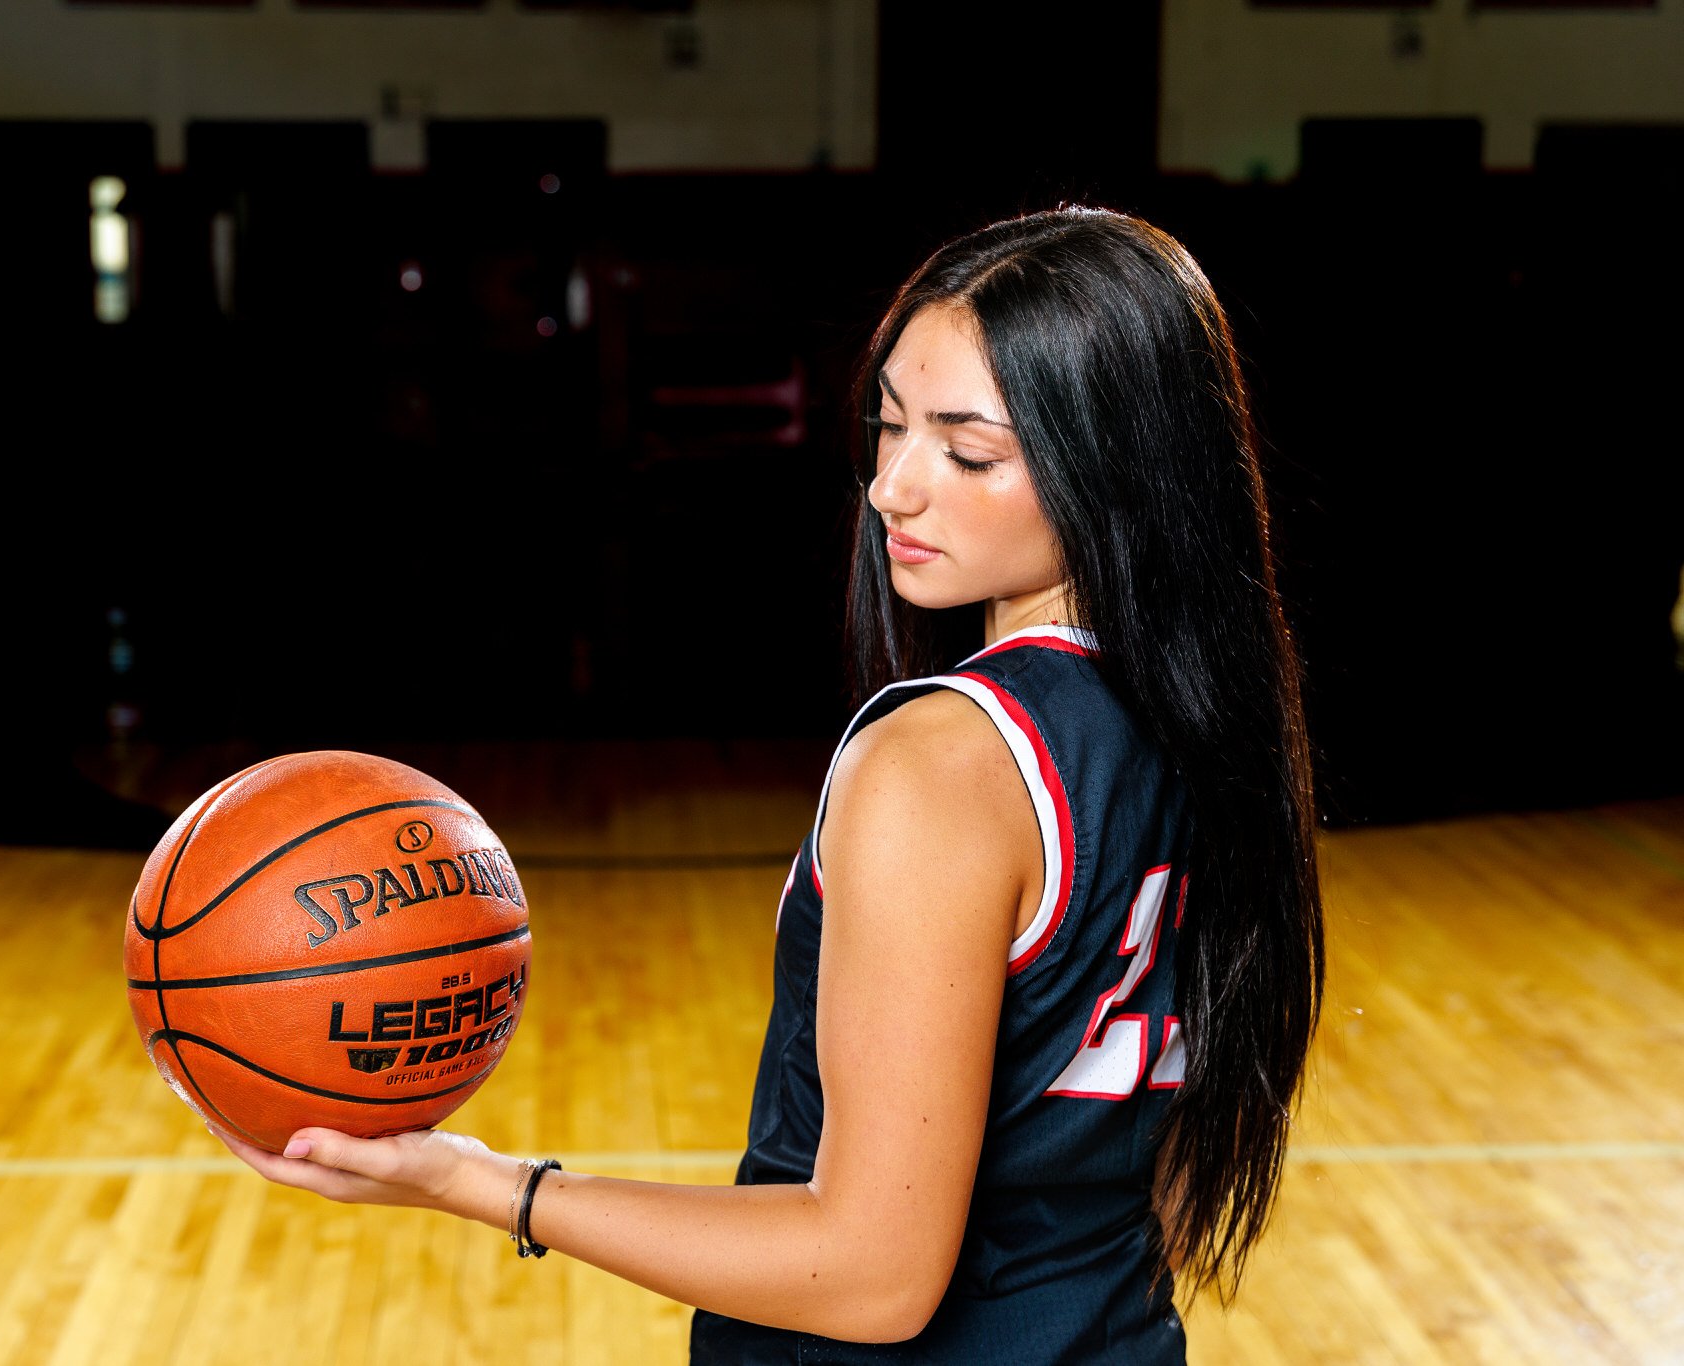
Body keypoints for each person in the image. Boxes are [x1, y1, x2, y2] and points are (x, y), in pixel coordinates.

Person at [206, 204, 1326, 1364]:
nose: (893, 486)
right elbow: (1163, 1180)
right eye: (886, 427)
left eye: (967, 450)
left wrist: (490, 1186)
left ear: (1122, 465)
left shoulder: (940, 762)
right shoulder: (1207, 725)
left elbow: (870, 1274)